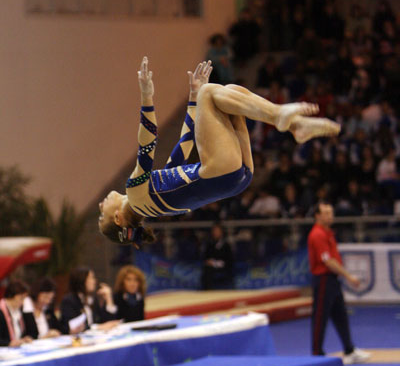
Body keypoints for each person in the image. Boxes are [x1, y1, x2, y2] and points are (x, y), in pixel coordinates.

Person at [98, 57, 340, 248]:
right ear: (118, 219)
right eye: (102, 216)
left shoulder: (152, 202)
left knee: (230, 91)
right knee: (210, 93)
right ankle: (279, 117)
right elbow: (147, 146)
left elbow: (183, 147)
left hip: (236, 178)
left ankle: (296, 126)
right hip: (219, 172)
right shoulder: (136, 192)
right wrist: (146, 96)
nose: (100, 206)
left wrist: (193, 99)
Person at [307, 201, 370, 363]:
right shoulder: (317, 234)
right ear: (317, 216)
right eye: (326, 213)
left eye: (331, 212)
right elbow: (328, 261)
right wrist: (349, 276)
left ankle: (349, 350)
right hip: (323, 280)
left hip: (332, 281)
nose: (330, 216)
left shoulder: (328, 233)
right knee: (320, 316)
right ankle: (317, 354)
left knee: (341, 315)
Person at [60, 267, 119, 334]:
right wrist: (97, 327)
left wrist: (109, 299)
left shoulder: (92, 299)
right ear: (81, 280)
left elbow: (106, 323)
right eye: (91, 278)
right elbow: (71, 328)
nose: (94, 281)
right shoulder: (69, 301)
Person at [0, 280, 33, 347]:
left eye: (24, 298)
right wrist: (8, 343)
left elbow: (23, 333)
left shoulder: (18, 310)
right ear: (11, 295)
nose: (23, 302)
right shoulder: (1, 310)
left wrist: (24, 339)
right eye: (21, 298)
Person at [202, 224, 234, 290]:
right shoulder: (210, 244)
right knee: (207, 269)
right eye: (214, 231)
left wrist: (214, 263)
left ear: (221, 232)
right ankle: (207, 290)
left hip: (223, 266)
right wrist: (209, 262)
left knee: (209, 268)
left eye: (217, 231)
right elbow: (205, 257)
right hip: (211, 267)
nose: (215, 233)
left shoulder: (226, 245)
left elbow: (229, 260)